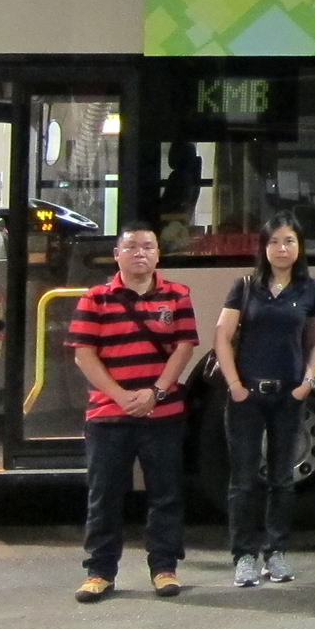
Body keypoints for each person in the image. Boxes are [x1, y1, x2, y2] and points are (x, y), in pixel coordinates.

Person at [68, 224, 198, 602]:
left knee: (166, 494)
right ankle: (100, 572)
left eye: (148, 247)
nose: (140, 253)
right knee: (104, 495)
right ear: (116, 255)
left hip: (164, 413)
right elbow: (84, 355)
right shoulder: (95, 298)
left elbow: (184, 348)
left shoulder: (178, 295)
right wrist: (121, 397)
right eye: (131, 247)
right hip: (108, 415)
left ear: (158, 254)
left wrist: (155, 393)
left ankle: (164, 568)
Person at [213, 214, 315, 588]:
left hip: (288, 396)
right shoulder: (245, 287)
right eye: (274, 241)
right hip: (247, 396)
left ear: (299, 247)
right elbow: (222, 336)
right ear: (263, 248)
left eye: (289, 241)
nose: (282, 249)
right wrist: (234, 385)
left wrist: (308, 381)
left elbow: (314, 341)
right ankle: (243, 556)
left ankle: (276, 551)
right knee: (244, 480)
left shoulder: (309, 290)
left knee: (282, 480)